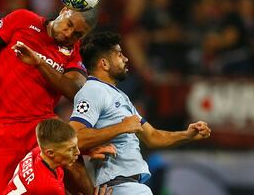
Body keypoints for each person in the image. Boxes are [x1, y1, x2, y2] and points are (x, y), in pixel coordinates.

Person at [0, 7, 98, 194]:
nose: (68, 34)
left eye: (77, 34)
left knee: (74, 168)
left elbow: (75, 91)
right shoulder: (22, 20)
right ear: (64, 10)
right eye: (68, 25)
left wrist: (40, 63)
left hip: (41, 127)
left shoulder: (73, 54)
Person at [69, 31, 212, 195]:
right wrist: (120, 127)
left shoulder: (119, 96)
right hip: (118, 185)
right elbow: (74, 137)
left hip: (131, 186)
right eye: (119, 54)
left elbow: (153, 137)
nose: (126, 59)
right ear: (104, 64)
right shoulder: (93, 90)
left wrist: (187, 135)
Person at [3, 118, 113, 195]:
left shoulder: (36, 152)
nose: (78, 152)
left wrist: (87, 151)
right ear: (50, 153)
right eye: (71, 149)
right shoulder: (50, 187)